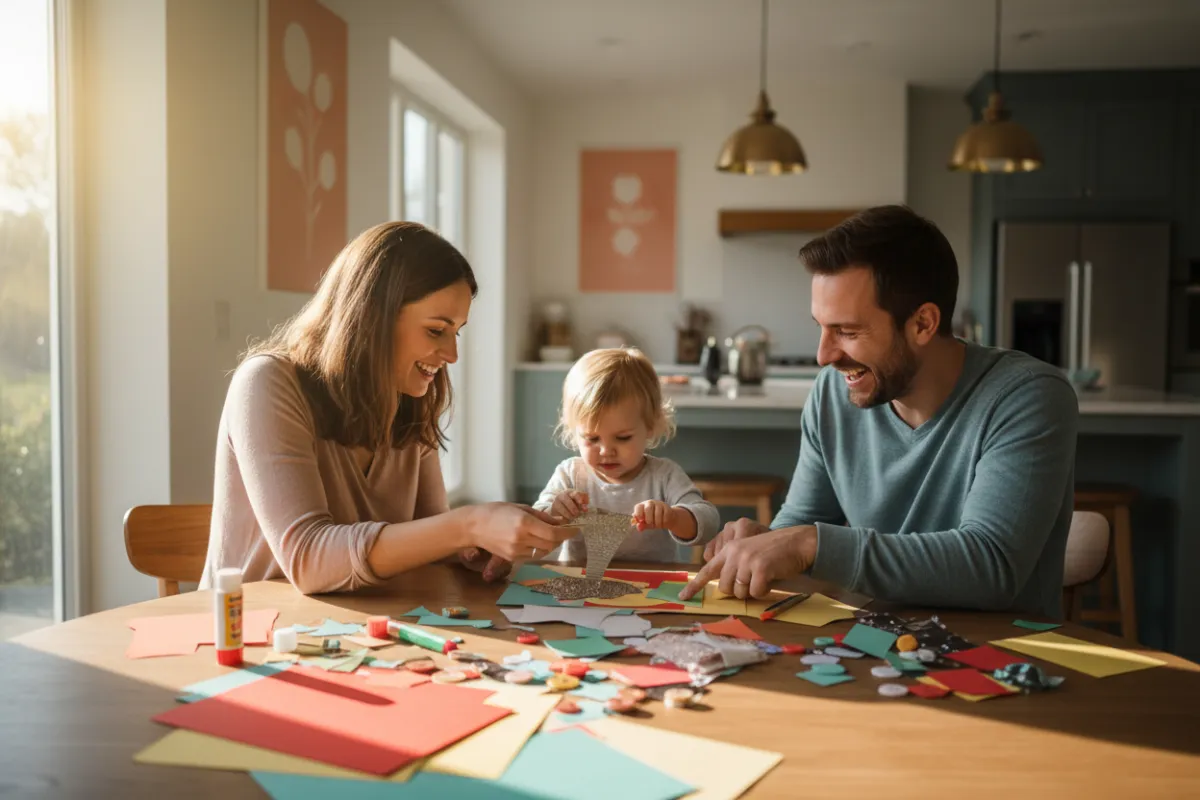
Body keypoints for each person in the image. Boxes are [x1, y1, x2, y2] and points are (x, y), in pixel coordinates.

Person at [680, 205, 1079, 619]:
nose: (824, 355)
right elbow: (804, 522)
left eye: (848, 332)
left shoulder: (1027, 397)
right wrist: (765, 543)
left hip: (1003, 661)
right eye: (821, 326)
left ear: (923, 323)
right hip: (870, 648)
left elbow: (991, 566)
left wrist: (807, 544)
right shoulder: (833, 393)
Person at [199, 222, 575, 594]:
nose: (452, 354)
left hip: (358, 637)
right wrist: (468, 525)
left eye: (456, 331)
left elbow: (430, 537)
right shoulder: (267, 382)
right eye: (435, 330)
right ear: (372, 318)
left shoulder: (410, 399)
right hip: (248, 636)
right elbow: (307, 558)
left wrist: (473, 549)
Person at [534, 347, 720, 563]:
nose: (606, 451)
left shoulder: (663, 475)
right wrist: (556, 511)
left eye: (622, 438)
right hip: (582, 587)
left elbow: (708, 521)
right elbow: (535, 525)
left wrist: (673, 516)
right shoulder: (570, 476)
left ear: (650, 426)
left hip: (652, 591)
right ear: (574, 431)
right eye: (592, 439)